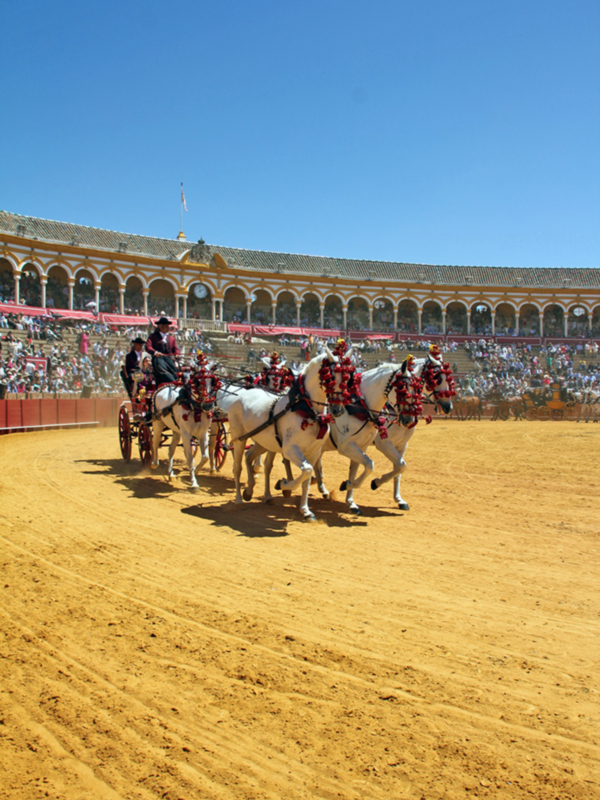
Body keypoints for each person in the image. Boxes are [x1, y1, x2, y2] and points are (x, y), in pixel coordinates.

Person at [145, 317, 180, 386]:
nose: (168, 328)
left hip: (169, 359)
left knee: (174, 370)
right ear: (160, 327)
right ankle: (173, 382)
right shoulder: (153, 336)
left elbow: (175, 349)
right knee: (162, 368)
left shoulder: (171, 338)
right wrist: (155, 353)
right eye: (166, 326)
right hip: (158, 359)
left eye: (168, 326)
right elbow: (148, 347)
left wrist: (177, 354)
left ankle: (175, 380)